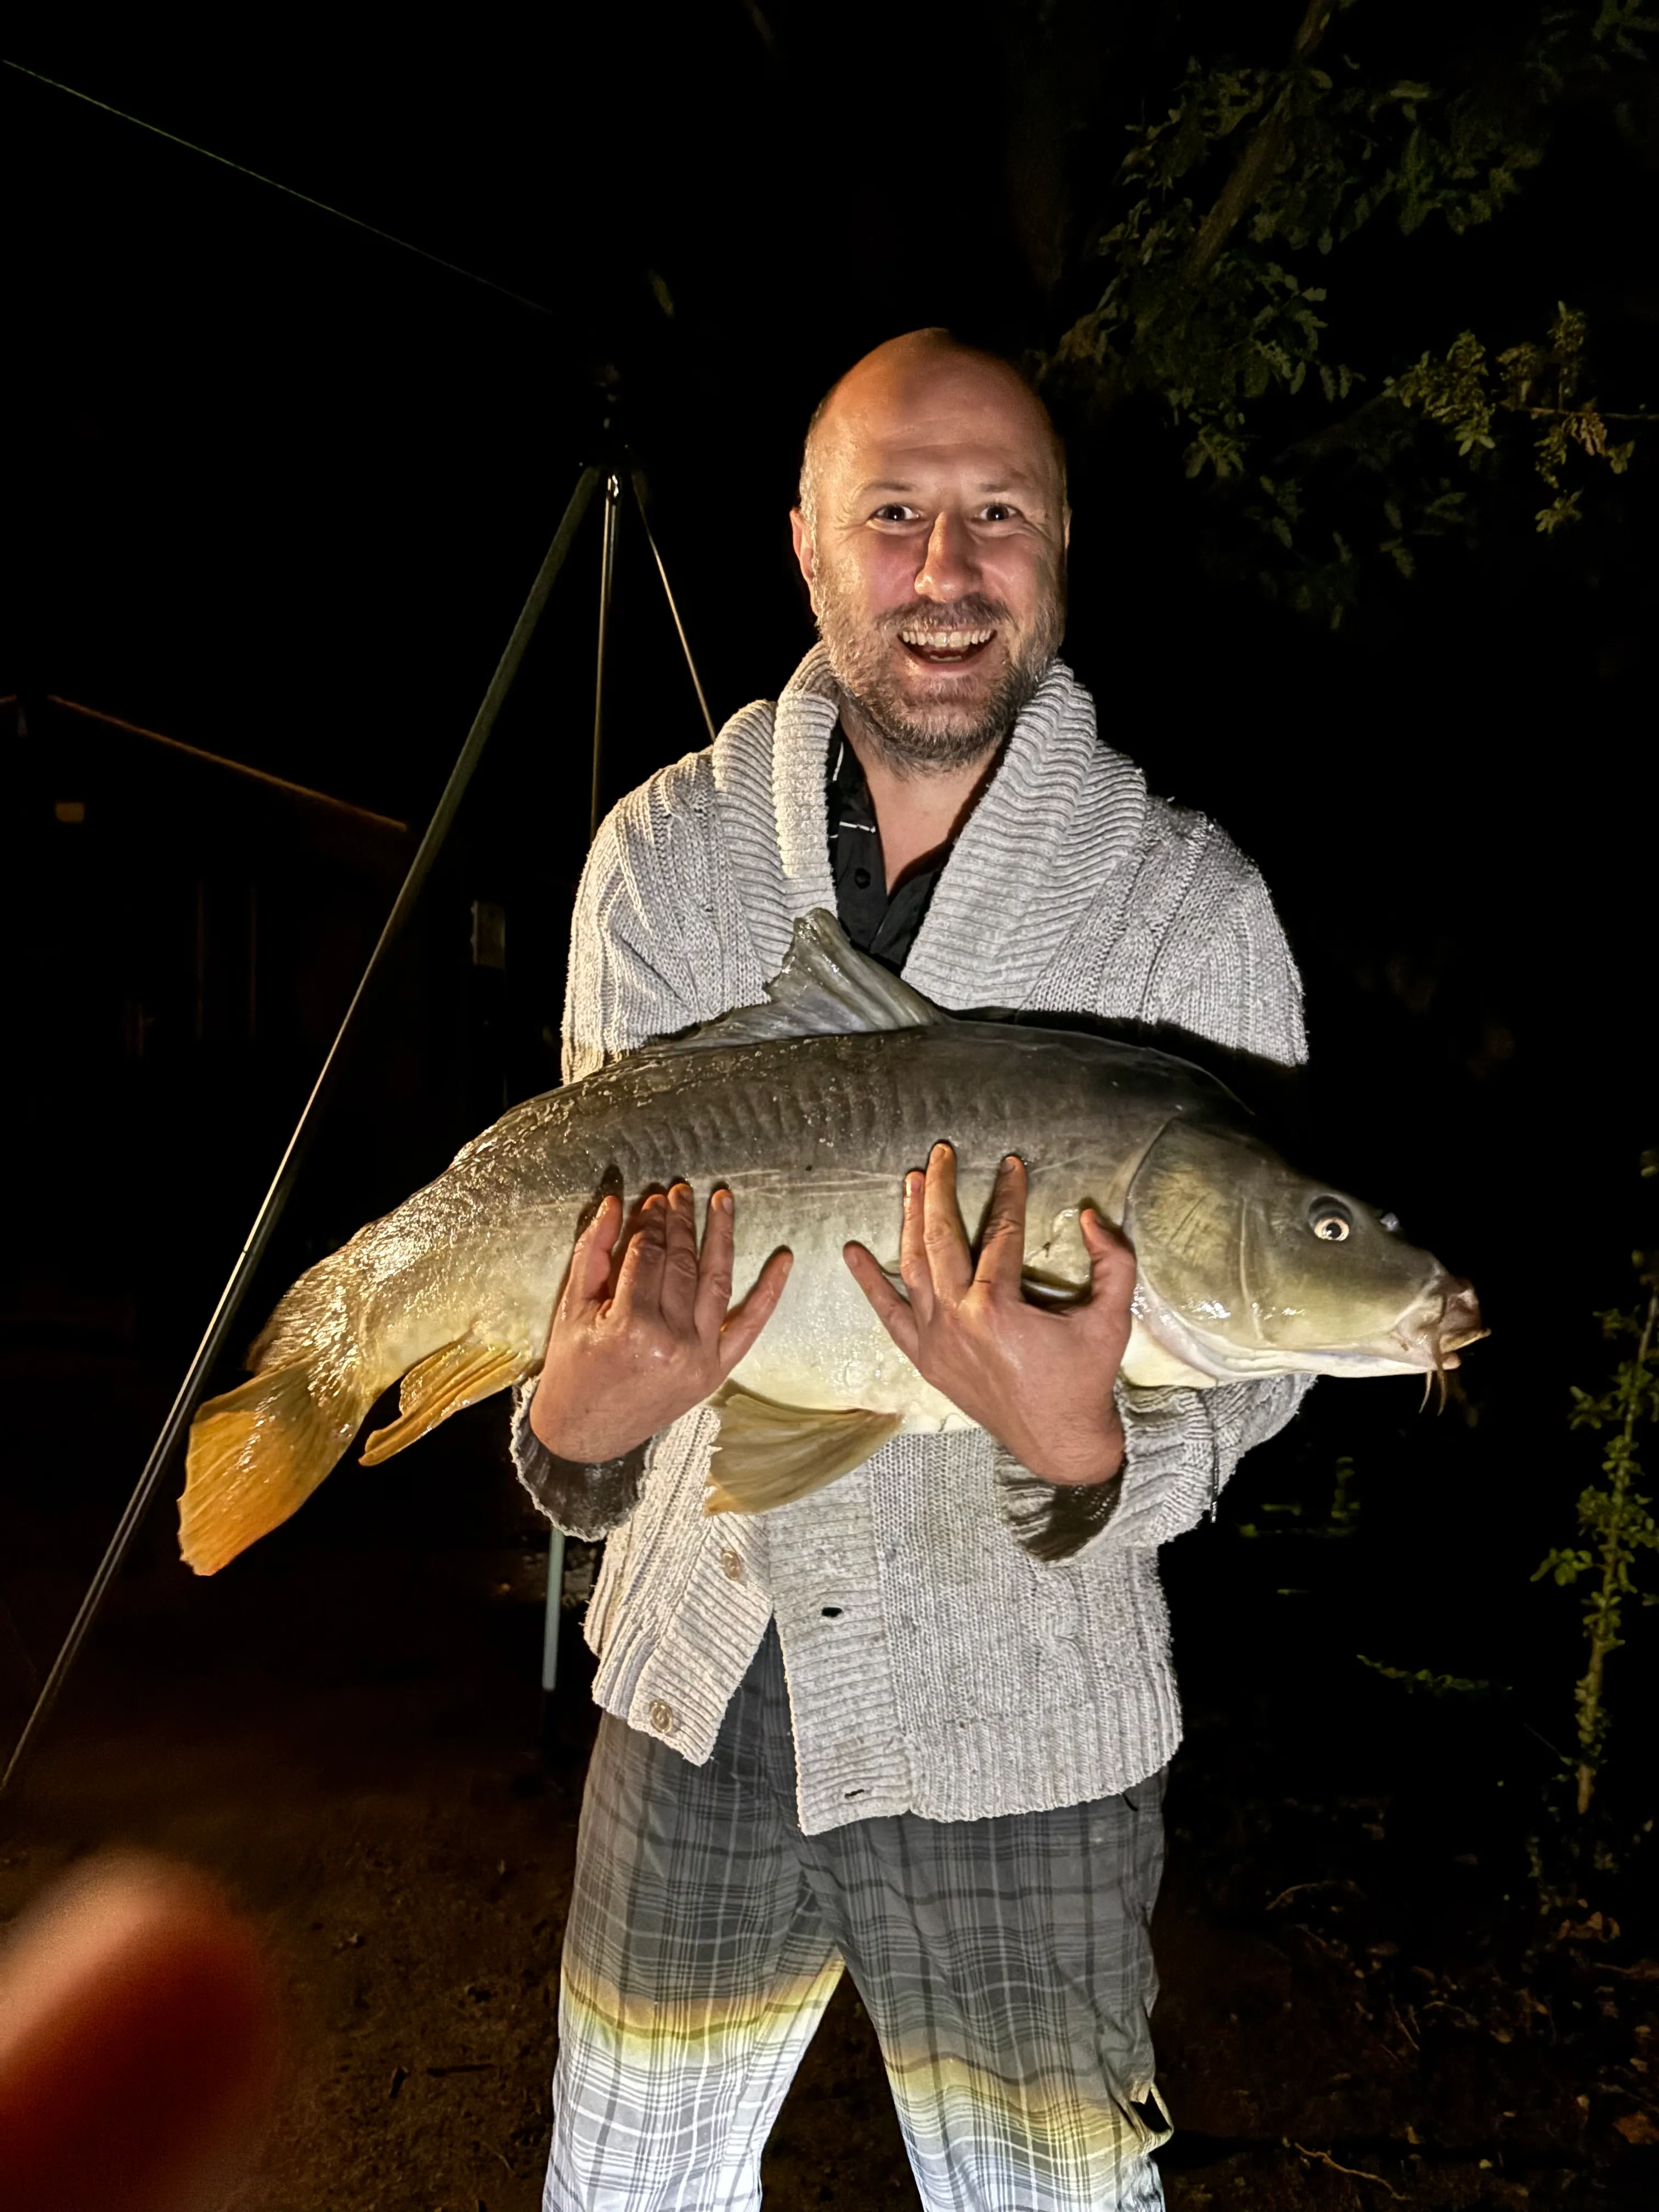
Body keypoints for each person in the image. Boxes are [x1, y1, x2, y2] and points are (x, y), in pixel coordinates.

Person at [514, 328, 1310, 2212]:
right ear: (806, 547)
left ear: (1057, 552)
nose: (945, 568)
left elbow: (1259, 1365)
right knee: (625, 2188)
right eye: (896, 514)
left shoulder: (1194, 910)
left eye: (997, 516)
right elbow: (574, 1330)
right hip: (699, 1685)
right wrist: (569, 1441)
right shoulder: (658, 862)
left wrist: (1092, 1456)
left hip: (1031, 1723)